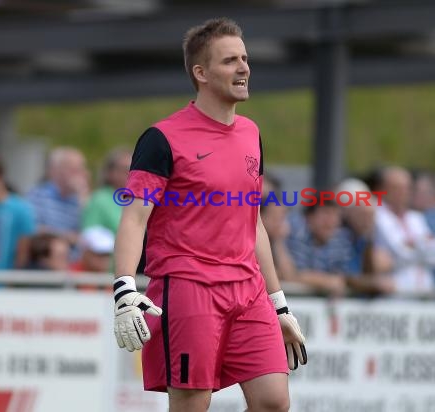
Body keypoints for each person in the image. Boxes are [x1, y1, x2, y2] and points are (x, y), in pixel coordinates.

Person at [112, 18, 306, 412]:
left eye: (245, 58)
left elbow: (252, 223)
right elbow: (135, 218)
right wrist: (124, 288)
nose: (244, 67)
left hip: (248, 289)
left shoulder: (251, 132)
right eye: (230, 60)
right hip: (188, 288)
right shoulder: (162, 138)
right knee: (192, 404)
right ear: (201, 73)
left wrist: (279, 302)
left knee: (273, 401)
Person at [374, 167, 435, 293]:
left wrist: (414, 246)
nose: (403, 192)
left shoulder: (417, 218)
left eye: (407, 188)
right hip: (395, 294)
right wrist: (423, 246)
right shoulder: (377, 216)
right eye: (396, 188)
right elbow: (399, 252)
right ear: (383, 190)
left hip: (425, 291)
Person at [82, 148, 132, 234]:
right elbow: (90, 235)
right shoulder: (100, 199)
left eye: (133, 169)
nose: (130, 173)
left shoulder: (141, 200)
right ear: (110, 172)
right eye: (124, 169)